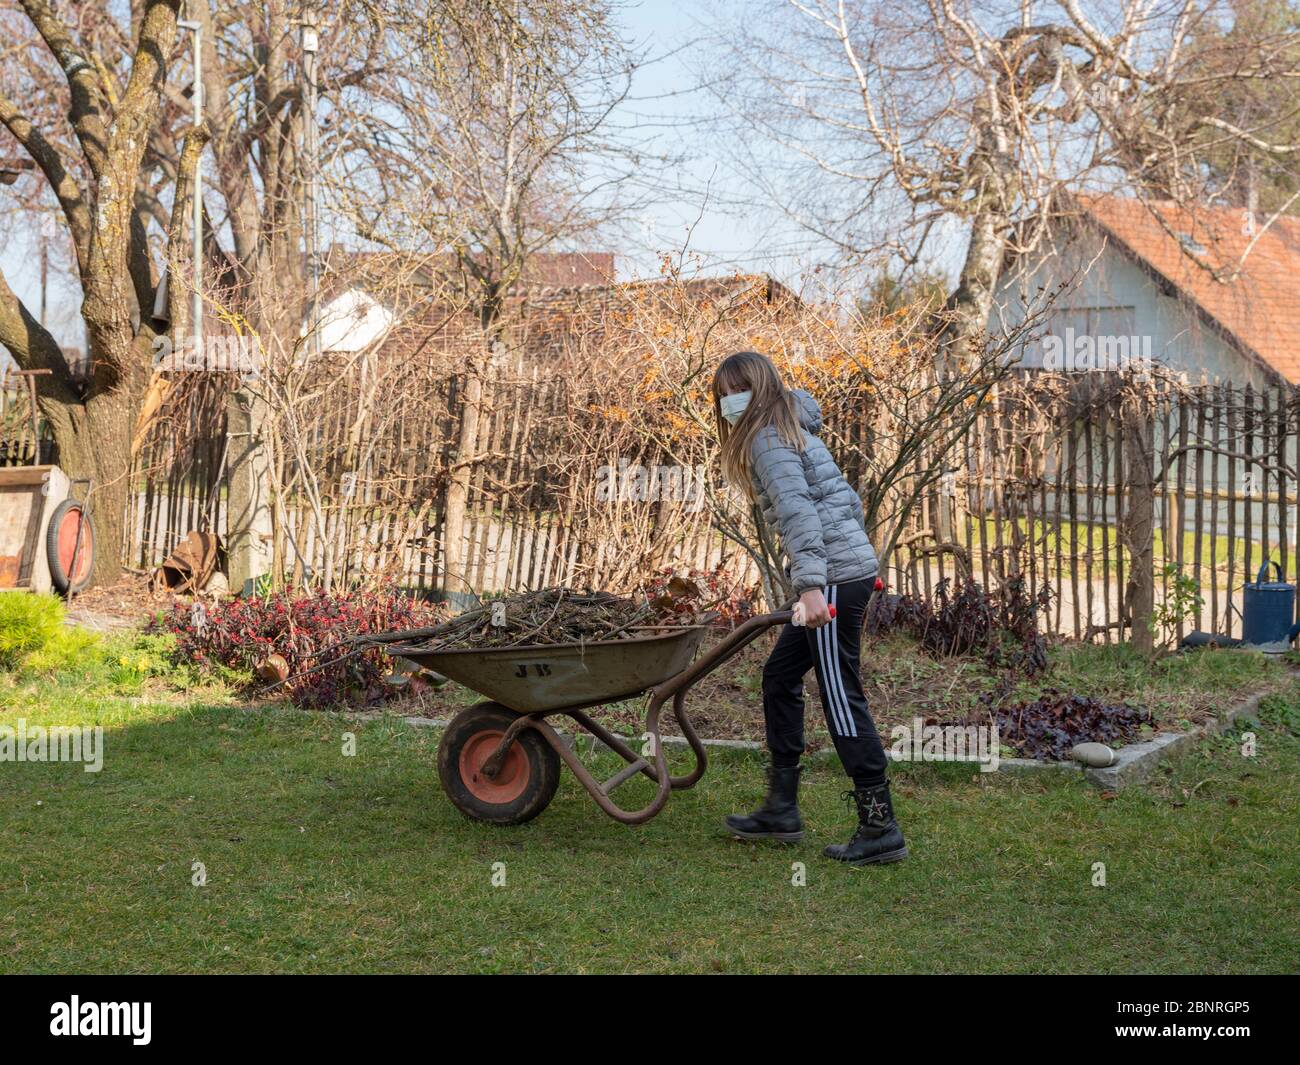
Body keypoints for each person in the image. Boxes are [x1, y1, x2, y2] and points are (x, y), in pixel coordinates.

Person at [712, 350, 906, 866]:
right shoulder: (789, 427)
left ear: (761, 388)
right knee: (780, 675)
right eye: (724, 391)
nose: (730, 399)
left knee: (841, 695)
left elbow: (800, 514)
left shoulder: (768, 437)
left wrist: (812, 587)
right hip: (845, 571)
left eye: (739, 388)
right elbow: (841, 501)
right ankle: (781, 809)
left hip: (835, 581)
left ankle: (879, 826)